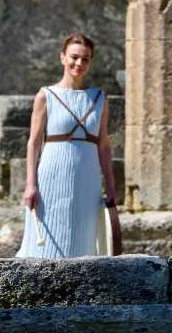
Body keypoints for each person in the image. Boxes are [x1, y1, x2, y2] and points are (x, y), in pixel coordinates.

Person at [16, 33, 116, 258]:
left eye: (86, 59)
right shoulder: (46, 95)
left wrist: (110, 185)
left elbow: (104, 146)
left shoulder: (99, 98)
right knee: (44, 247)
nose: (79, 63)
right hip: (51, 178)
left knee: (83, 241)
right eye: (74, 57)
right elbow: (33, 143)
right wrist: (30, 185)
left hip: (87, 180)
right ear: (62, 58)